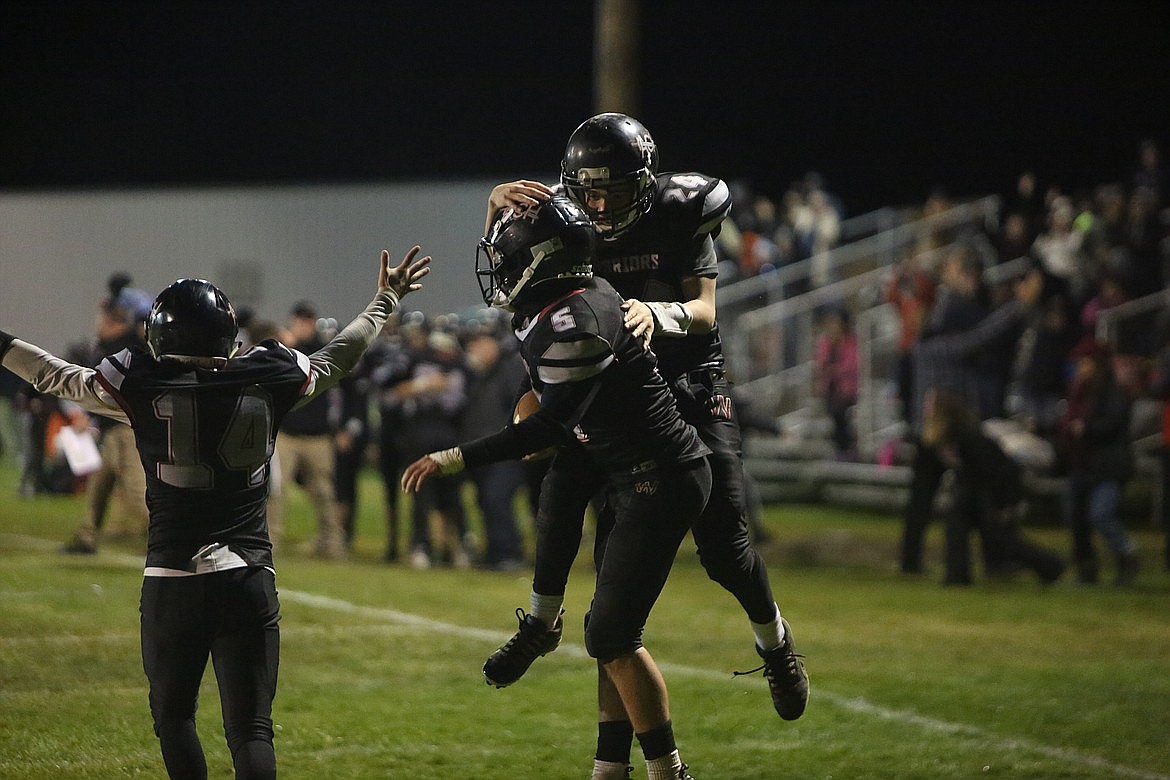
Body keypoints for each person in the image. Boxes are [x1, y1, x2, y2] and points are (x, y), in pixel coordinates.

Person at [0, 246, 430, 779]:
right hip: (248, 575)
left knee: (174, 718)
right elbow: (339, 355)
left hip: (173, 577)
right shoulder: (270, 373)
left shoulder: (140, 379)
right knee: (251, 728)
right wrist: (385, 301)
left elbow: (56, 377)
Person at [480, 114, 808, 776]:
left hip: (689, 381)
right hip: (616, 390)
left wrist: (654, 313)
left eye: (615, 191)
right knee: (607, 595)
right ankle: (606, 751)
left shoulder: (681, 209)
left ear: (647, 179)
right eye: (589, 192)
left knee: (725, 546)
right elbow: (516, 260)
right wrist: (495, 205)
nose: (600, 207)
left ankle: (775, 643)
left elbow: (706, 310)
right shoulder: (567, 214)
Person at [402, 196, 709, 780]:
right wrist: (496, 203)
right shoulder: (547, 298)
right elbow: (538, 394)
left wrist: (452, 458)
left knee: (612, 635)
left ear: (538, 262)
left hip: (658, 475)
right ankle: (551, 642)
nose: (498, 264)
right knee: (560, 498)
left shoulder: (578, 318)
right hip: (614, 458)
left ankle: (669, 770)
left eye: (508, 256)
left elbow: (543, 429)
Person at [920, 390, 1065, 584]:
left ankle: (1051, 566)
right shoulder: (948, 434)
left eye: (929, 404)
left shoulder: (966, 434)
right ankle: (957, 576)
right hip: (973, 491)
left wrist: (1002, 504)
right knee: (957, 528)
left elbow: (994, 470)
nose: (925, 408)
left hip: (991, 491)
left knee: (1000, 537)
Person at [1056, 337, 1140, 585]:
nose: (1080, 367)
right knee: (1077, 520)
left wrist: (1087, 428)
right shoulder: (1078, 392)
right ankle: (1086, 568)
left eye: (1084, 362)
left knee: (1101, 515)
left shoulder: (1114, 391)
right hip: (1082, 464)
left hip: (1107, 466)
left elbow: (1114, 424)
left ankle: (1127, 553)